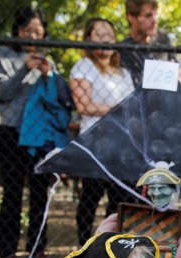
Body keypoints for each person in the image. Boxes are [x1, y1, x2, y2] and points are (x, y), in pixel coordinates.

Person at [0, 7, 55, 258]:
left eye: (39, 32)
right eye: (28, 31)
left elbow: (56, 100)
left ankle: (38, 249)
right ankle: (6, 251)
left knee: (40, 193)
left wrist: (49, 76)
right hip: (11, 132)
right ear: (18, 31)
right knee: (12, 193)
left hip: (40, 137)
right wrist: (23, 71)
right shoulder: (2, 54)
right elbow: (1, 92)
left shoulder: (47, 61)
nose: (33, 37)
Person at [70, 18, 135, 246]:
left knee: (119, 200)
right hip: (95, 143)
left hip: (122, 145)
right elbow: (84, 106)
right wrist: (117, 110)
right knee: (91, 196)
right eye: (98, 34)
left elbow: (132, 106)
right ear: (88, 39)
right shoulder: (83, 67)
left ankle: (111, 246)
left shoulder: (123, 72)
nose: (104, 38)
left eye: (108, 33)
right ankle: (84, 246)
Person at [120, 0, 181, 87]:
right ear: (131, 17)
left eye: (155, 15)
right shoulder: (123, 49)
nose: (154, 20)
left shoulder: (163, 38)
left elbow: (180, 70)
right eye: (148, 16)